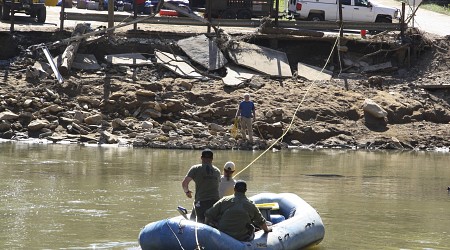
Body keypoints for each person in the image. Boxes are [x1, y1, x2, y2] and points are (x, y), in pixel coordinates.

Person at [205, 180, 272, 241]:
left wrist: (206, 228)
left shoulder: (224, 200)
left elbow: (208, 214)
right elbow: (261, 221)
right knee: (252, 227)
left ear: (234, 189)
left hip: (223, 235)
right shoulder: (251, 204)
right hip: (241, 237)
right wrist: (267, 230)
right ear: (246, 190)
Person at [181, 149, 221, 223]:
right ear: (212, 159)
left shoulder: (195, 169)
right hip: (216, 203)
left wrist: (187, 192)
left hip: (202, 202)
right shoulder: (217, 171)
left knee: (195, 223)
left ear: (201, 158)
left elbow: (184, 183)